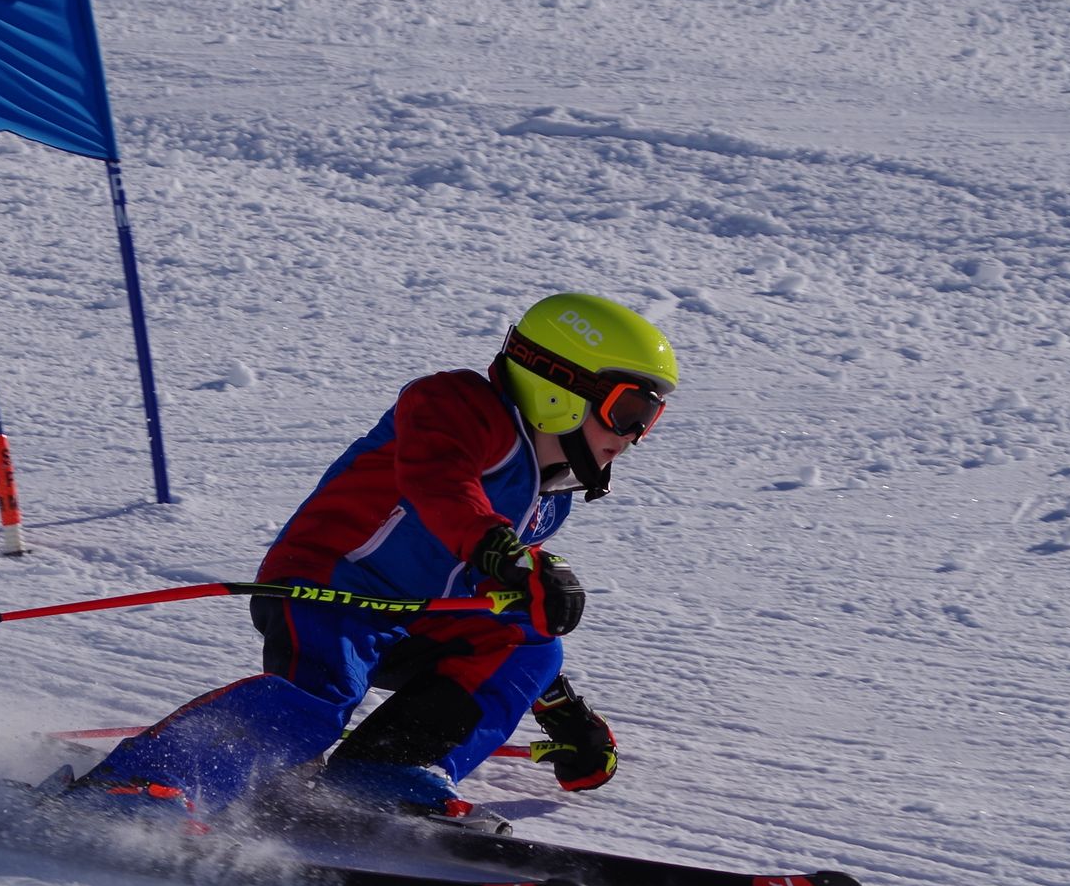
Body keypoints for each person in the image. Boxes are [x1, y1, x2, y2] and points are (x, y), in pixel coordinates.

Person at [64, 291, 677, 821]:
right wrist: (504, 552)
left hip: (420, 617)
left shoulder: (549, 493)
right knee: (316, 704)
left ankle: (389, 766)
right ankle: (143, 781)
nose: (634, 436)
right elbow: (440, 484)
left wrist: (561, 709)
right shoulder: (457, 405)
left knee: (533, 641)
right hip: (333, 588)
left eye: (648, 419)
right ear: (559, 386)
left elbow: (509, 597)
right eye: (628, 411)